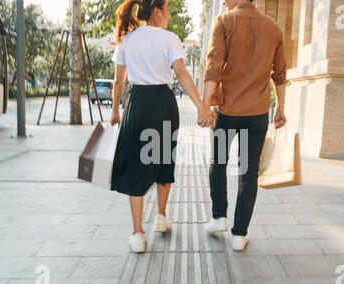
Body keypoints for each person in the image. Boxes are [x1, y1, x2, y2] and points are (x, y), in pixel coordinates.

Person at [109, 0, 216, 253]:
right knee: (164, 160)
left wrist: (115, 111)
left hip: (136, 104)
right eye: (167, 8)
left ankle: (137, 234)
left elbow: (118, 80)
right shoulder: (169, 38)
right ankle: (160, 215)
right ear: (157, 11)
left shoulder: (126, 39)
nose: (169, 13)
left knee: (136, 163)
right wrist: (201, 105)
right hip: (163, 104)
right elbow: (181, 73)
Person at [202, 0, 287, 251]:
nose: (224, 3)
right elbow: (280, 74)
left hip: (226, 110)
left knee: (217, 161)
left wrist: (205, 106)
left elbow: (213, 67)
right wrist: (280, 108)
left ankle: (219, 217)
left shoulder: (223, 21)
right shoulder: (274, 28)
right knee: (248, 172)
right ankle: (240, 235)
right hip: (258, 113)